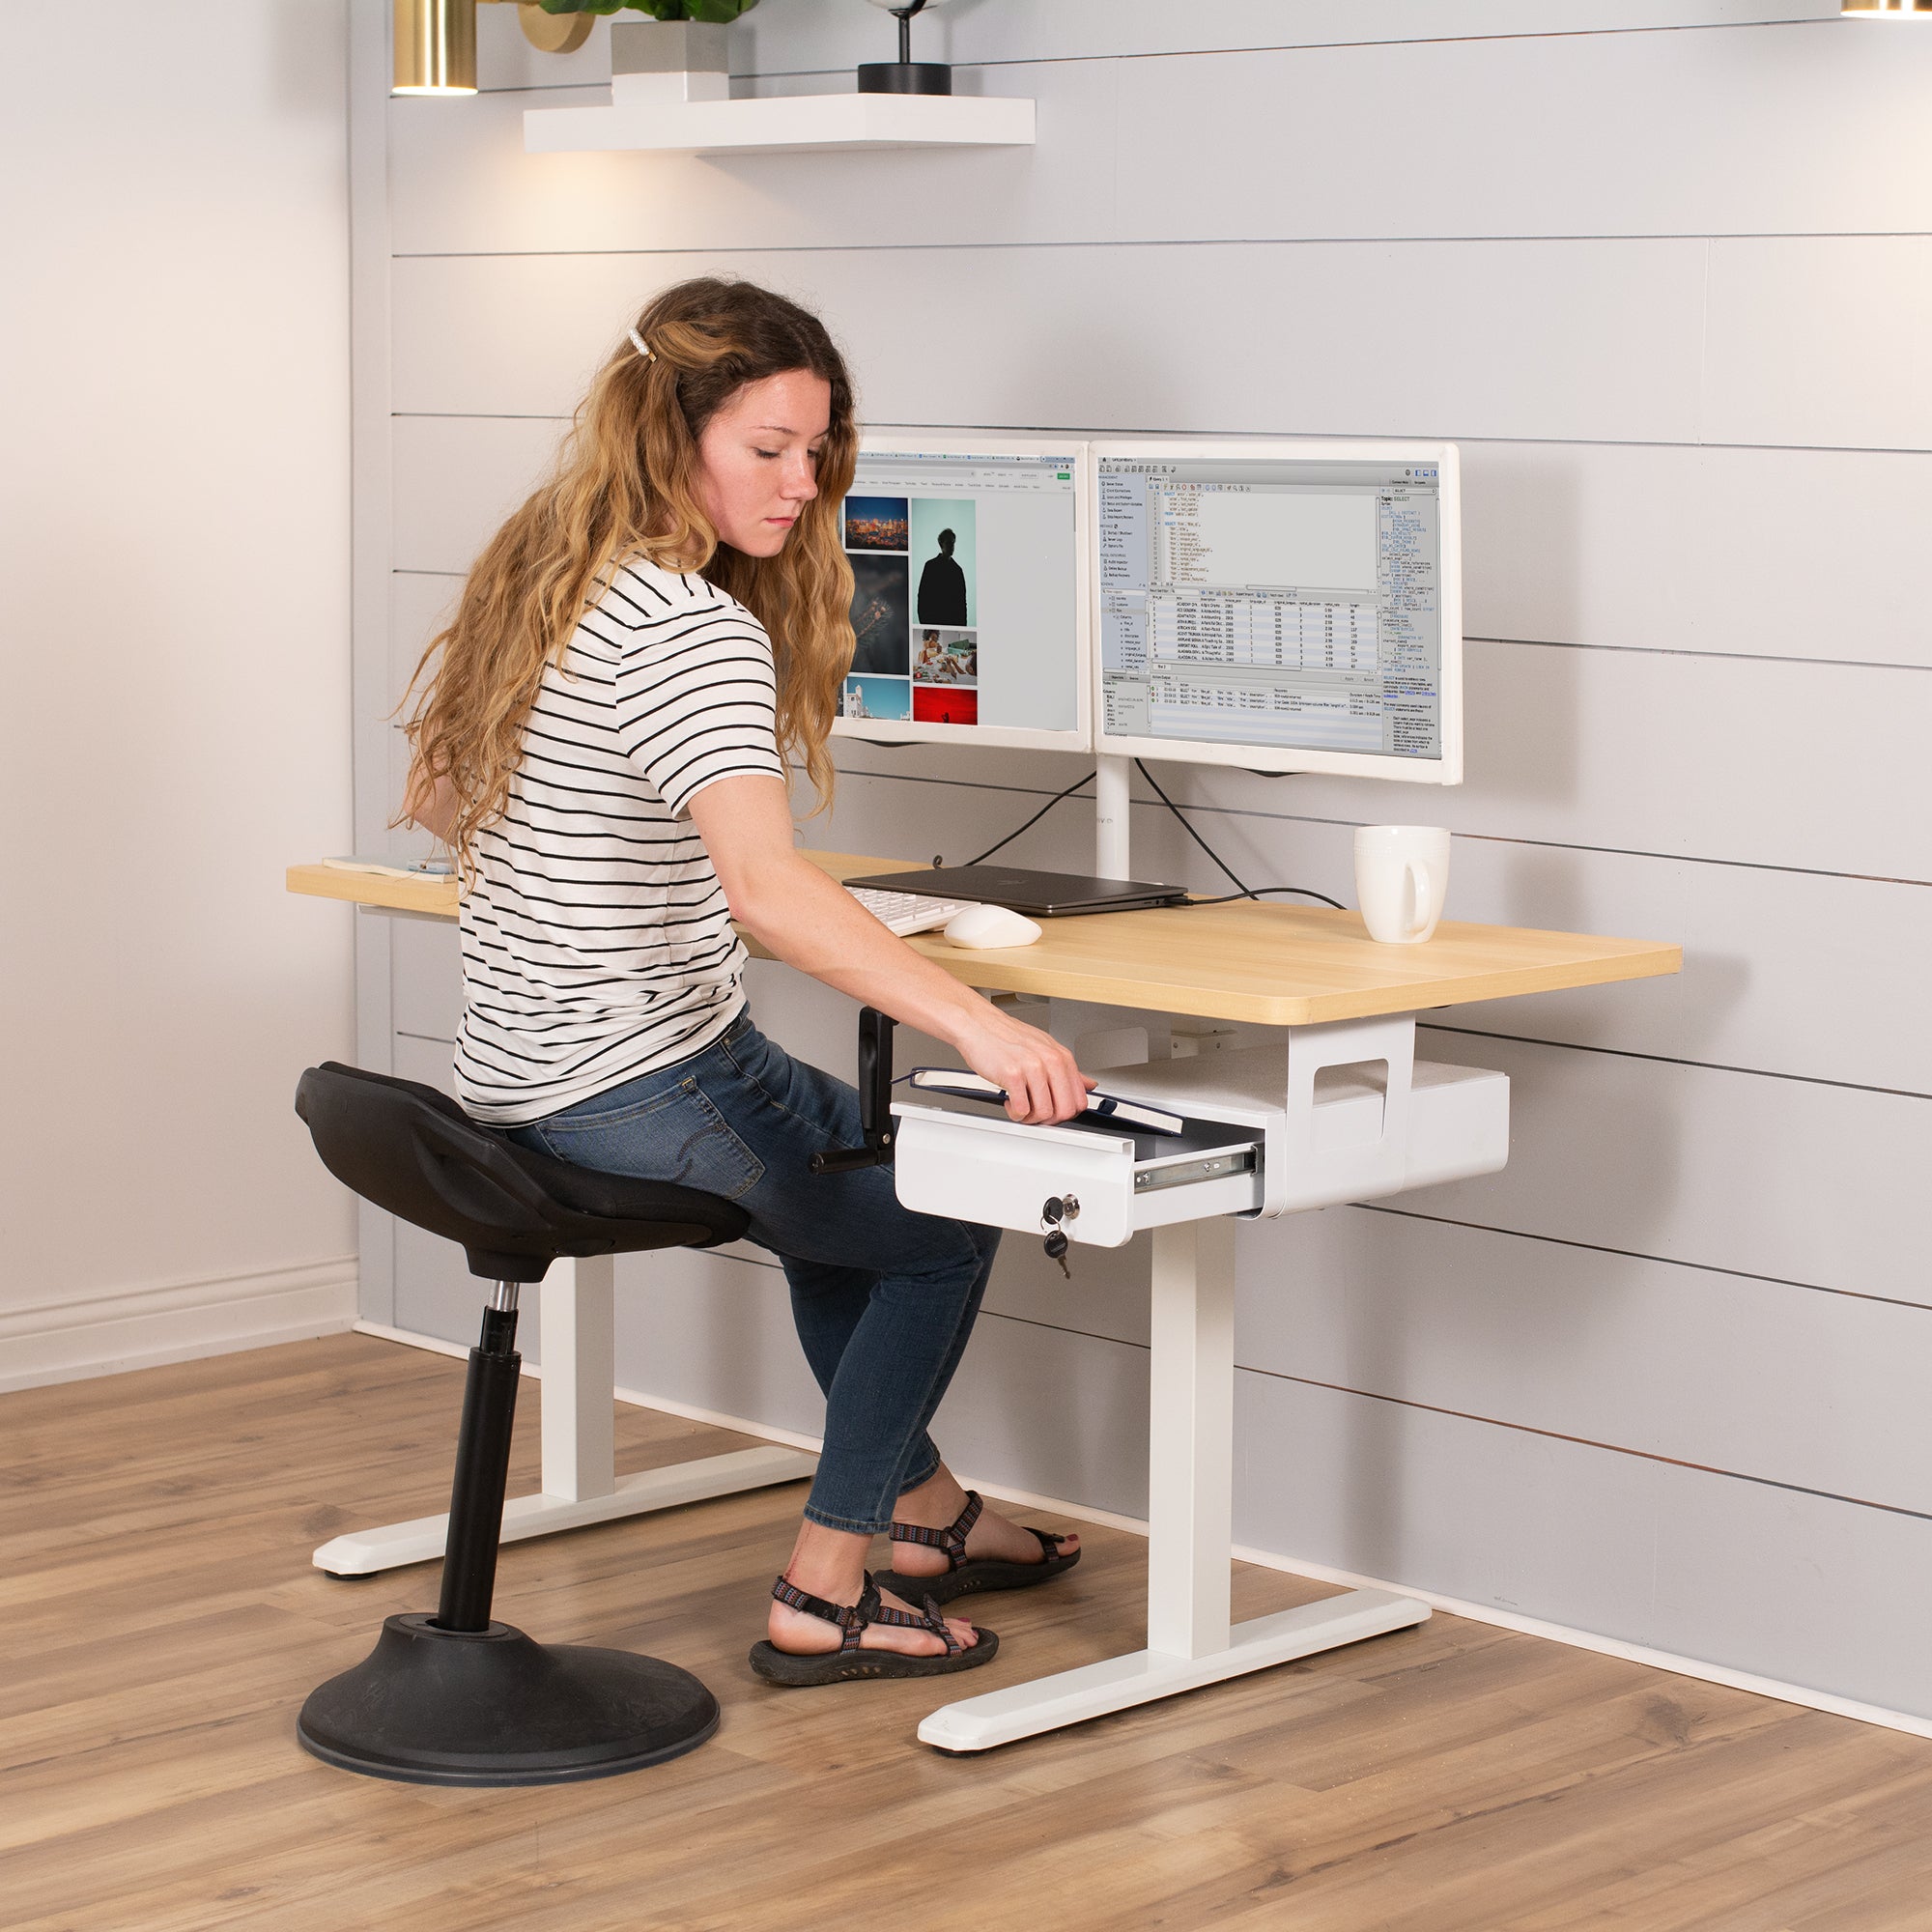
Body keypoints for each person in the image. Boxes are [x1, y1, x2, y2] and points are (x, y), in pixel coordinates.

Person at [401, 278, 1089, 1686]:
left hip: (522, 1065)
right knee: (945, 1214)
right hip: (637, 1075)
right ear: (673, 437)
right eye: (767, 448)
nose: (803, 483)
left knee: (856, 1197)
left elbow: (435, 792)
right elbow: (769, 894)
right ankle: (827, 1586)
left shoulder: (547, 570)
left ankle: (927, 1510)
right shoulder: (691, 628)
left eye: (819, 451)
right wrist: (974, 1014)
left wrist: (579, 851)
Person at [916, 526, 968, 626]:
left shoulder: (957, 570)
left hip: (953, 622)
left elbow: (962, 602)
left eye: (953, 543)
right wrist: (925, 622)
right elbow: (923, 596)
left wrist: (962, 626)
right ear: (941, 544)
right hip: (934, 620)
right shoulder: (930, 566)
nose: (952, 546)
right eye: (949, 543)